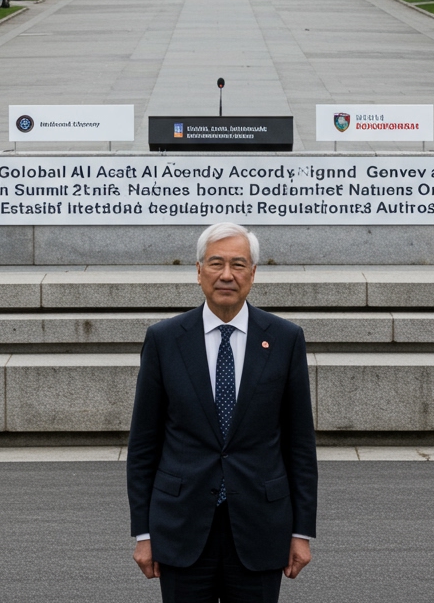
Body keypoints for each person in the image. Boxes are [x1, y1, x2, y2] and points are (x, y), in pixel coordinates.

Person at [127, 222, 317, 603]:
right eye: (216, 264)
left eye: (238, 264)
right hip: (181, 528)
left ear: (253, 273)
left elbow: (299, 445)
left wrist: (301, 531)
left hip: (261, 529)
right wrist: (144, 533)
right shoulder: (164, 339)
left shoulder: (284, 338)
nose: (227, 275)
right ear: (198, 271)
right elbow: (145, 443)